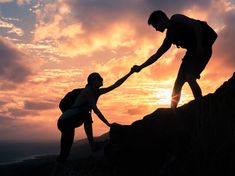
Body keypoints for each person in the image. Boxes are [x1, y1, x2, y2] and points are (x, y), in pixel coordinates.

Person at [132, 10, 217, 108]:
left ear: (161, 20)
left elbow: (196, 26)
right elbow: (157, 55)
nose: (156, 29)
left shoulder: (176, 18)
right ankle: (172, 112)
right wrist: (140, 67)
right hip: (191, 53)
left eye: (155, 25)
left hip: (203, 48)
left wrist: (199, 45)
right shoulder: (169, 37)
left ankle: (201, 106)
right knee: (178, 83)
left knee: (190, 77)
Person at [56, 69, 134, 165]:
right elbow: (95, 109)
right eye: (99, 78)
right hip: (65, 121)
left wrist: (130, 73)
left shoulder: (97, 92)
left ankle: (57, 170)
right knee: (86, 115)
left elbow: (115, 85)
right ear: (92, 81)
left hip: (72, 121)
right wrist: (107, 124)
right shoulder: (87, 91)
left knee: (65, 153)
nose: (102, 79)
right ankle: (92, 145)